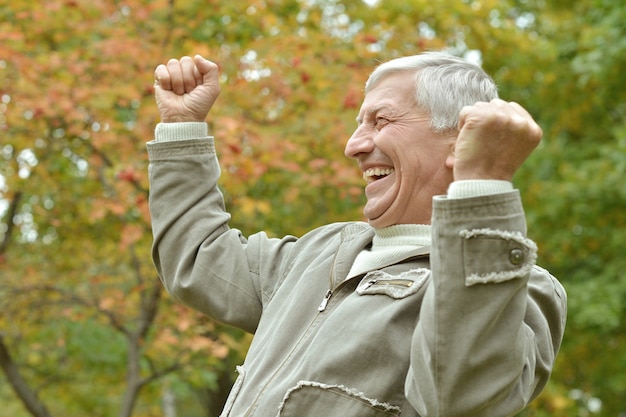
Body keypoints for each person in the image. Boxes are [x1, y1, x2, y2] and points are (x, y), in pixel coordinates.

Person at [148, 52, 567, 417]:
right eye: (359, 123)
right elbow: (198, 257)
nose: (353, 146)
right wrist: (182, 129)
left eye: (380, 120)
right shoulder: (318, 253)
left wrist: (485, 186)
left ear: (460, 140)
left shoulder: (521, 288)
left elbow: (459, 398)